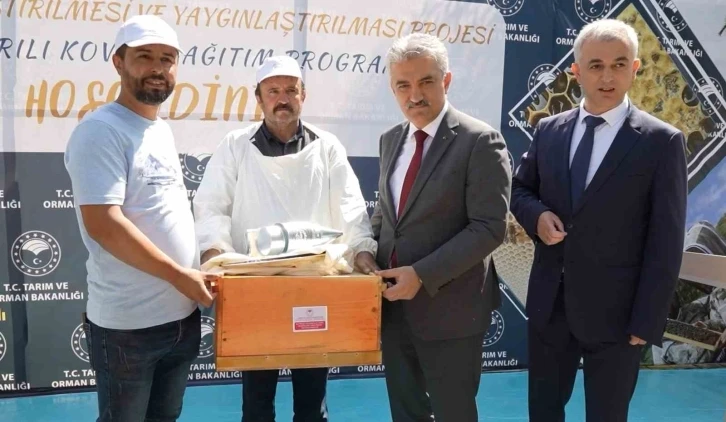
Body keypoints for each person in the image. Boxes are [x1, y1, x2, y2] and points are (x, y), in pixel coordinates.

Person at [509, 19, 688, 422]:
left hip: (619, 318)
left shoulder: (662, 142)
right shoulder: (549, 131)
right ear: (576, 71)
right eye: (595, 66)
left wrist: (647, 319)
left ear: (635, 68)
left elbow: (666, 241)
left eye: (619, 64)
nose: (607, 77)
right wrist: (538, 217)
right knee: (543, 413)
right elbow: (520, 190)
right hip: (551, 308)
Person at [192, 55, 377, 422]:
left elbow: (351, 207)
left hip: (316, 287)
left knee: (312, 404)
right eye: (273, 91)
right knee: (257, 404)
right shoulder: (235, 146)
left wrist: (363, 253)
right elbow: (212, 206)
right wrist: (215, 256)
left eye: (291, 91)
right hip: (255, 288)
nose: (283, 99)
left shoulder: (327, 146)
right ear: (258, 98)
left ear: (303, 95)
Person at [64, 15, 217, 422]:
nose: (157, 68)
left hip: (181, 320)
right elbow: (104, 224)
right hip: (128, 330)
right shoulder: (100, 130)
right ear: (118, 62)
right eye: (144, 56)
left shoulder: (158, 128)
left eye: (167, 59)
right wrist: (178, 275)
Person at [371, 33, 512, 422]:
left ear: (446, 81)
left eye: (426, 81)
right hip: (394, 310)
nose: (414, 95)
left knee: (454, 414)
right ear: (392, 89)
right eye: (403, 85)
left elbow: (489, 228)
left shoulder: (481, 141)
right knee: (406, 413)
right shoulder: (390, 140)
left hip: (453, 313)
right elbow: (386, 215)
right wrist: (365, 252)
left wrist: (420, 275)